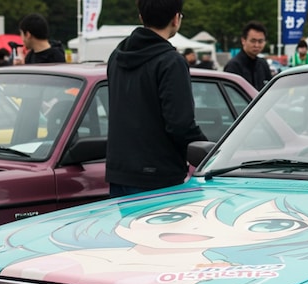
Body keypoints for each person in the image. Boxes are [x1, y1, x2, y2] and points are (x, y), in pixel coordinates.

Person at [106, 0, 207, 197]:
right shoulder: (171, 62)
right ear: (176, 19)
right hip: (158, 176)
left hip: (119, 172)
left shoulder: (116, 57)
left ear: (141, 17)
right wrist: (210, 154)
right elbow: (180, 124)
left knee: (123, 229)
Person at [223, 21, 270, 90]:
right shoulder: (233, 66)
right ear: (243, 41)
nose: (257, 45)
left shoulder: (263, 64)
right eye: (253, 41)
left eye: (260, 41)